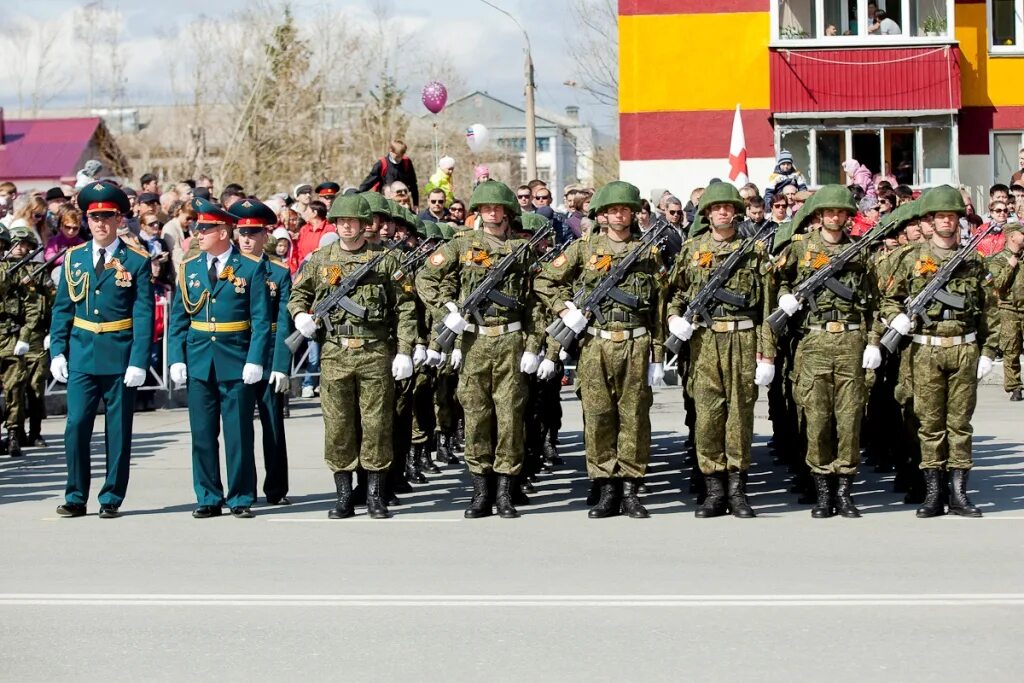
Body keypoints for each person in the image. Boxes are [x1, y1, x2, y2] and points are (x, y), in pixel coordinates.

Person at [533, 181, 665, 518]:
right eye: (612, 210)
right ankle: (606, 488)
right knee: (598, 417)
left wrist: (658, 355)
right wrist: (566, 310)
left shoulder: (648, 252)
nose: (619, 214)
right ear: (601, 215)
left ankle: (632, 489)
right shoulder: (583, 248)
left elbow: (658, 308)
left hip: (635, 342)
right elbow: (544, 281)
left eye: (624, 209)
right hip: (596, 342)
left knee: (634, 418)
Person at [416, 180, 540, 519]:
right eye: (486, 208)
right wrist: (447, 309)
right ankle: (481, 491)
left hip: (512, 340)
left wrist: (534, 345)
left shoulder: (522, 249)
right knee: (475, 416)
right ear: (478, 212)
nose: (492, 213)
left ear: (508, 212)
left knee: (511, 418)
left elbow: (534, 304)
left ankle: (505, 491)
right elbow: (425, 279)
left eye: (498, 208)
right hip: (474, 341)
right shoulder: (462, 245)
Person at [288, 194, 416, 520]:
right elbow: (297, 295)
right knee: (338, 425)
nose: (346, 226)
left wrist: (404, 351)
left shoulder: (385, 261)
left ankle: (374, 493)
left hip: (374, 350)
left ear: (364, 224)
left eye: (353, 221)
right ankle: (343, 495)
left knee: (376, 424)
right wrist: (300, 315)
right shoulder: (320, 259)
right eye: (341, 221)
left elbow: (405, 309)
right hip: (334, 351)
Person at [880, 186, 997, 518]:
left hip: (963, 348)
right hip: (925, 350)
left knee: (959, 425)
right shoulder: (910, 258)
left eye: (953, 217)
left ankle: (959, 493)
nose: (948, 222)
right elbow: (887, 300)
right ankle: (933, 493)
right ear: (929, 221)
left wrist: (988, 351)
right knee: (929, 425)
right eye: (941, 216)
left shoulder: (974, 260)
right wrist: (897, 318)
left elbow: (990, 310)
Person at [664, 182, 774, 518]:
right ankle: (713, 489)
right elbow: (677, 294)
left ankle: (738, 491)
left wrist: (766, 353)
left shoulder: (754, 252)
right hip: (704, 341)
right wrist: (673, 319)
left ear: (736, 212)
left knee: (740, 416)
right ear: (708, 213)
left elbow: (767, 307)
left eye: (728, 207)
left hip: (743, 339)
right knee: (708, 416)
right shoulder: (692, 249)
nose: (723, 212)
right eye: (716, 207)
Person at [48, 182, 154, 518]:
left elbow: (142, 313)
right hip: (81, 353)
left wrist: (139, 360)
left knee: (118, 429)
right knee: (76, 424)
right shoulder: (74, 258)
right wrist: (57, 351)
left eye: (107, 216)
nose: (99, 223)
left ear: (119, 219)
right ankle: (76, 494)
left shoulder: (135, 260)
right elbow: (63, 307)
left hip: (119, 354)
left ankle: (111, 497)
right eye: (94, 217)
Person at [167, 196, 271, 519]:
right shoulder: (190, 267)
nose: (198, 233)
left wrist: (255, 359)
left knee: (238, 432)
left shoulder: (251, 267)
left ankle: (240, 496)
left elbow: (261, 319)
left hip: (235, 356)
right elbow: (179, 318)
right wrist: (176, 358)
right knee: (202, 432)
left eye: (205, 228)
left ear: (224, 232)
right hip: (200, 358)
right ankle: (208, 495)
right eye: (198, 227)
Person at [771, 186, 871, 518]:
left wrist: (874, 340)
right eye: (829, 212)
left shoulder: (860, 251)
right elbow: (776, 281)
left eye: (841, 212)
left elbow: (874, 301)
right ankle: (822, 490)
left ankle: (844, 490)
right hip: (812, 342)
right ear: (818, 215)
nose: (835, 217)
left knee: (849, 418)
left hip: (850, 342)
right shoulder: (801, 248)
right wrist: (786, 297)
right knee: (816, 418)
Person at [229, 198, 294, 505]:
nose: (246, 238)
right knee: (239, 428)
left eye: (254, 232)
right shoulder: (228, 268)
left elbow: (283, 321)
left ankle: (276, 488)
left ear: (266, 236)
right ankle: (244, 488)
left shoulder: (277, 273)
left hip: (267, 354)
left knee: (272, 426)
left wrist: (282, 364)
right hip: (236, 353)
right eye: (242, 231)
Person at [0, 226, 43, 456]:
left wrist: (25, 337)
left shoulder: (16, 271)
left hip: (10, 336)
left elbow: (31, 306)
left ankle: (14, 434)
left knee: (15, 389)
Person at [358, 139, 420, 208]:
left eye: (401, 156)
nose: (399, 159)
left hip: (403, 202)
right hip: (386, 203)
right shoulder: (382, 164)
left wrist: (416, 204)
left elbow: (413, 184)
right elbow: (368, 182)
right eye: (397, 156)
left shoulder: (407, 162)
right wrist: (357, 193)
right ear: (391, 151)